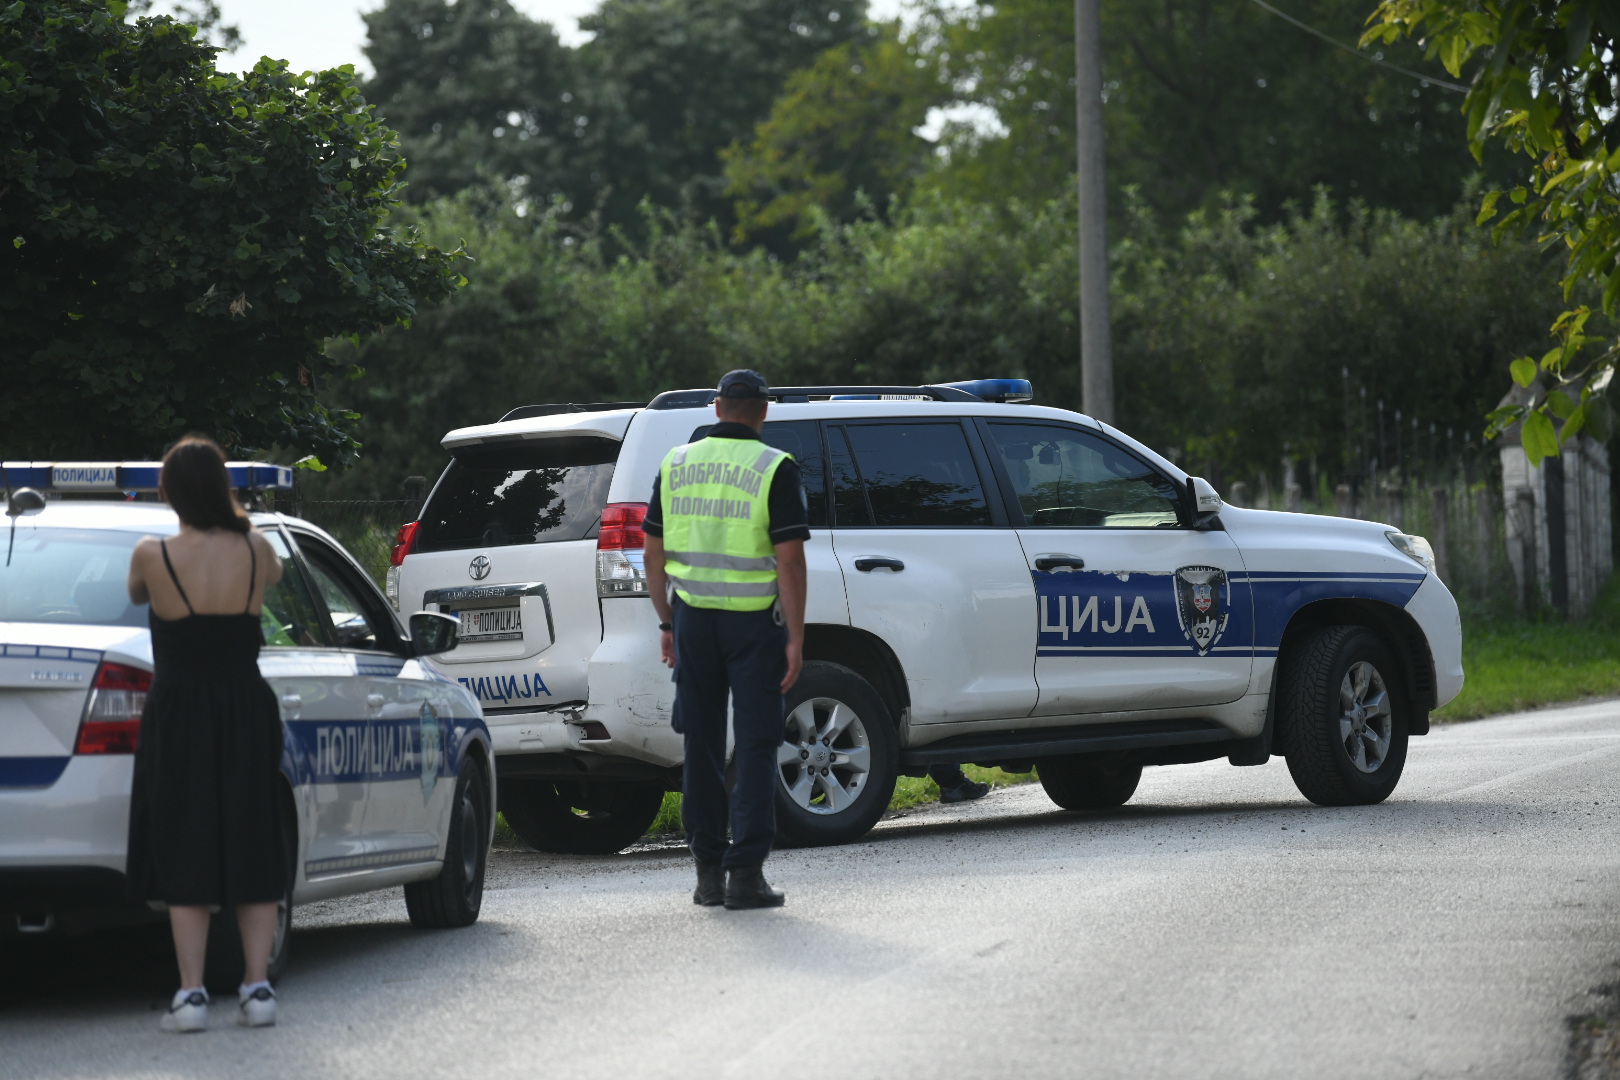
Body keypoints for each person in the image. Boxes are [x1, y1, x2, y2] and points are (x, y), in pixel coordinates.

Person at [125, 436, 288, 1032]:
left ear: (168, 491)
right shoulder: (256, 549)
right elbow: (269, 574)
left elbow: (134, 594)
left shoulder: (152, 554)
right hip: (245, 706)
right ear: (222, 488)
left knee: (184, 838)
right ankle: (257, 988)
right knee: (253, 834)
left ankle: (191, 995)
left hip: (180, 712)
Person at [644, 369, 809, 911]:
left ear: (716, 407)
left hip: (693, 622)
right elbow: (788, 560)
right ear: (763, 411)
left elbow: (652, 554)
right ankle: (746, 877)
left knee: (702, 746)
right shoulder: (774, 468)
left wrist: (668, 622)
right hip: (753, 625)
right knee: (758, 744)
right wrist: (796, 637)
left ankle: (708, 874)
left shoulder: (675, 464)